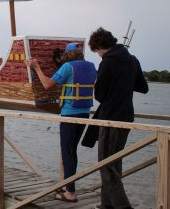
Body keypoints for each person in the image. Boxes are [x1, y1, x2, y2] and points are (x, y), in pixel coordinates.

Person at [25, 42, 97, 203]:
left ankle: (70, 193)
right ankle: (67, 185)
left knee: (67, 152)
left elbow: (47, 84)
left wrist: (36, 67)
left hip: (70, 114)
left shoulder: (68, 67)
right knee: (72, 151)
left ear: (68, 54)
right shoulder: (92, 66)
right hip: (85, 113)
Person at [88, 27, 148, 209]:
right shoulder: (132, 59)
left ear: (99, 46)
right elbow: (143, 87)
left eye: (96, 51)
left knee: (106, 165)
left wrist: (100, 83)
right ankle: (107, 204)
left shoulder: (107, 62)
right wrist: (124, 81)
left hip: (111, 117)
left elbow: (99, 95)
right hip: (126, 116)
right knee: (114, 163)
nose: (98, 55)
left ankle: (123, 207)